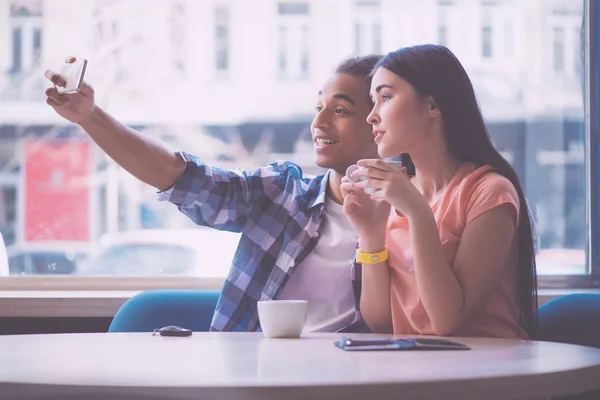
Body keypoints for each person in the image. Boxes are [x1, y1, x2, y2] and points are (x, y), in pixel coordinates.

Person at [44, 54, 382, 332]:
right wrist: (89, 116)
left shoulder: (413, 215)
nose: (319, 122)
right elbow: (178, 175)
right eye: (318, 107)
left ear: (380, 121)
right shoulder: (283, 193)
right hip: (251, 379)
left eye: (340, 110)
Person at [341, 44, 538, 339]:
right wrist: (371, 233)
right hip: (417, 370)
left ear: (433, 105)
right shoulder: (397, 195)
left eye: (385, 97)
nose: (371, 115)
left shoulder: (489, 192)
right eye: (373, 101)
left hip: (486, 373)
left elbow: (447, 321)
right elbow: (382, 324)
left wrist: (418, 211)